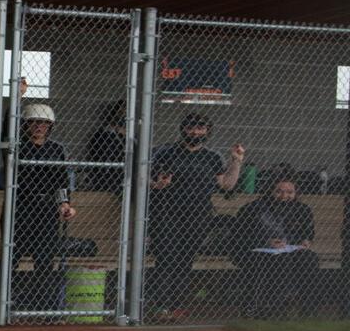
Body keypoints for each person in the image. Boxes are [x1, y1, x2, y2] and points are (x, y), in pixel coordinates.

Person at [146, 113, 244, 319]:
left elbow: (226, 184)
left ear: (207, 132)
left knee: (185, 259)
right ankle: (160, 305)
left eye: (201, 128)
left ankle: (177, 305)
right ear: (183, 129)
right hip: (167, 211)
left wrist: (236, 162)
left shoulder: (212, 156)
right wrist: (157, 185)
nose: (195, 132)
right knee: (166, 257)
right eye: (191, 128)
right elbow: (147, 180)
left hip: (197, 214)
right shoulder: (165, 152)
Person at [9, 103, 76, 311]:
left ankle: (44, 307)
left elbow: (60, 180)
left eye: (44, 123)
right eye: (34, 122)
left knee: (45, 259)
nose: (39, 127)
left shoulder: (56, 149)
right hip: (21, 206)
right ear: (25, 125)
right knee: (13, 255)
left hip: (46, 208)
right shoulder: (18, 146)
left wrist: (64, 204)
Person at [231, 177, 320, 318]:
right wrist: (266, 241)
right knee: (280, 260)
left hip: (289, 249)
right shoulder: (253, 208)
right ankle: (273, 308)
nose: (285, 196)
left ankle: (309, 310)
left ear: (296, 193)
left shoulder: (302, 209)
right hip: (255, 249)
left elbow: (308, 232)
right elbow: (239, 235)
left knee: (310, 258)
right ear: (270, 191)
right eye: (279, 191)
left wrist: (306, 241)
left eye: (290, 192)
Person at [85, 101, 130, 194]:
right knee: (108, 139)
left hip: (118, 159)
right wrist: (117, 130)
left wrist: (123, 133)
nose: (123, 113)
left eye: (125, 110)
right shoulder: (104, 132)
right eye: (122, 110)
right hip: (107, 155)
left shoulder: (128, 125)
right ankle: (105, 179)